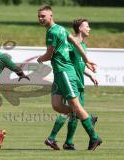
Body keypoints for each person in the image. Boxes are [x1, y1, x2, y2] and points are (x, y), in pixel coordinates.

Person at [36, 6, 102, 150]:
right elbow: (76, 43)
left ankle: (94, 137)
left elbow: (49, 55)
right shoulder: (61, 29)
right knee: (57, 105)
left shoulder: (53, 32)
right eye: (39, 16)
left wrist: (39, 59)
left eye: (43, 16)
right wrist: (86, 61)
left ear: (50, 16)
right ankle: (85, 117)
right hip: (59, 74)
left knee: (76, 106)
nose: (40, 19)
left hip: (65, 72)